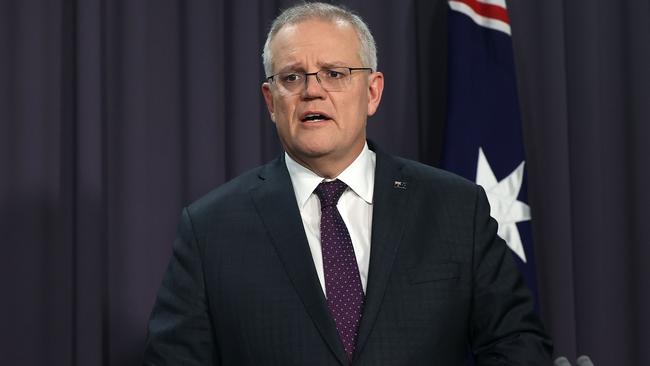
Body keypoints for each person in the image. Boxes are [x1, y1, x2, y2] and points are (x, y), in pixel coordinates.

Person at [143, 2, 552, 365]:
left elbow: (516, 343)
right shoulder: (210, 229)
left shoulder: (456, 208)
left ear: (372, 92)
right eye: (292, 78)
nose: (312, 91)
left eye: (334, 73)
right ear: (271, 101)